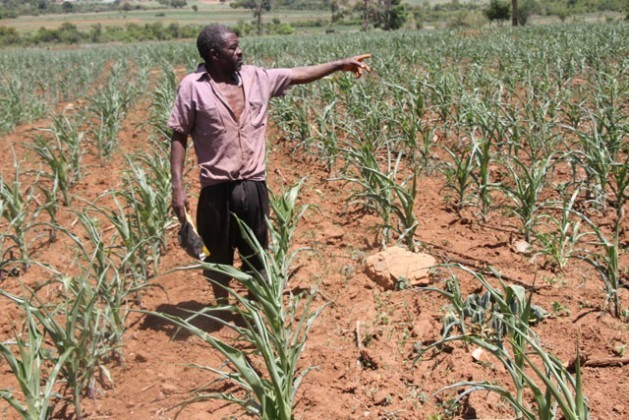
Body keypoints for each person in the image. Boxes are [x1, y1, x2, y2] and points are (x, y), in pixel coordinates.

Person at [169, 24, 370, 305]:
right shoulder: (192, 87)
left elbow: (297, 74)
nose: (240, 51)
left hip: (253, 185)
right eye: (233, 47)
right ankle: (222, 306)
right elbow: (179, 134)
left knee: (257, 254)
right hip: (215, 190)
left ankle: (255, 311)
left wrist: (339, 65)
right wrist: (177, 188)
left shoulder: (256, 78)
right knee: (216, 257)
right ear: (214, 55)